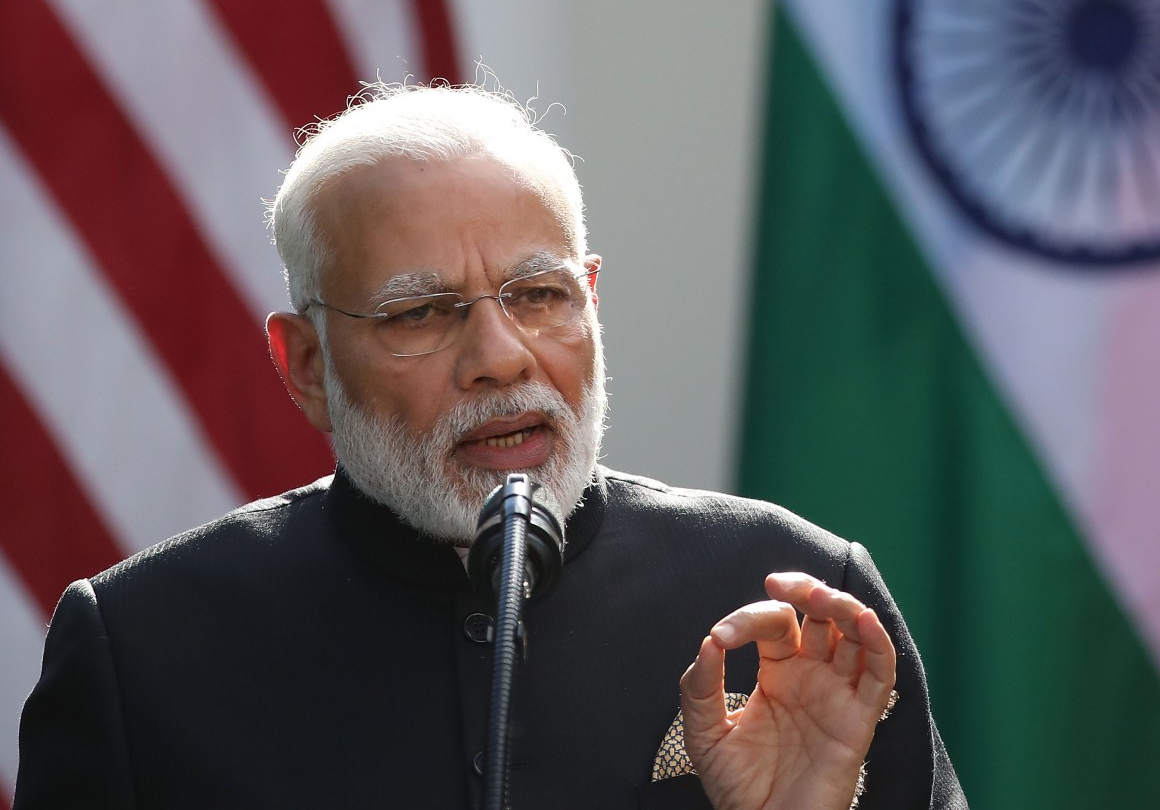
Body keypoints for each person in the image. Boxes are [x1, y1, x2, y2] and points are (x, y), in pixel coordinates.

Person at [14, 82, 967, 809]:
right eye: (419, 312)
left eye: (540, 296)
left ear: (590, 299)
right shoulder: (141, 649)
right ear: (305, 364)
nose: (501, 359)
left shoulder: (793, 598)